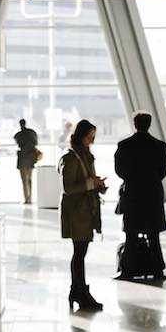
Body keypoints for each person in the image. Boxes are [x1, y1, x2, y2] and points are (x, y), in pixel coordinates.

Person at [114, 111, 166, 277]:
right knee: (153, 235)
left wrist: (132, 178)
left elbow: (119, 170)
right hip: (152, 193)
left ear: (134, 124)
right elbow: (163, 170)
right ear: (149, 124)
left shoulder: (124, 145)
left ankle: (127, 270)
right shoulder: (159, 146)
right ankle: (157, 269)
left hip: (133, 193)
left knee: (131, 234)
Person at [60, 120, 106, 311]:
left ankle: (78, 291)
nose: (92, 141)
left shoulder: (85, 155)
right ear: (81, 136)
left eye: (93, 137)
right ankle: (79, 292)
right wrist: (91, 183)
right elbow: (68, 187)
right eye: (89, 137)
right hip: (77, 212)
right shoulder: (71, 157)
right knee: (79, 253)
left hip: (85, 210)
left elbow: (84, 181)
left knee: (80, 252)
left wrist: (97, 185)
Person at [14, 119, 39, 204]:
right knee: (29, 179)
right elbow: (36, 143)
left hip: (22, 158)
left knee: (24, 180)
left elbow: (18, 143)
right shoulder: (32, 132)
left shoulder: (18, 135)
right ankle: (30, 198)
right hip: (31, 158)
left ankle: (27, 198)